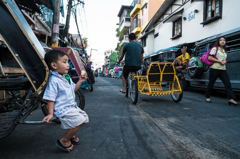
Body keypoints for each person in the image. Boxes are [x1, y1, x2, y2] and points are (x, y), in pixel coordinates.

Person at [43, 50, 89, 152]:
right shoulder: (54, 80)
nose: (68, 65)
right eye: (64, 62)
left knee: (84, 118)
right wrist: (50, 113)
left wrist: (80, 81)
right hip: (62, 108)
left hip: (71, 106)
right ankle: (64, 140)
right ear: (54, 65)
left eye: (68, 62)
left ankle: (71, 134)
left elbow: (73, 89)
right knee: (80, 119)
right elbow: (50, 98)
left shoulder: (66, 77)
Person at [205, 36, 238, 105]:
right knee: (211, 83)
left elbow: (223, 59)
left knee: (227, 83)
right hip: (214, 69)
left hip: (222, 69)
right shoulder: (215, 48)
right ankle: (207, 97)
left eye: (224, 40)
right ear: (218, 41)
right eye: (221, 40)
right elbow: (210, 58)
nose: (222, 41)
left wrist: (225, 61)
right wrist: (220, 61)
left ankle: (231, 99)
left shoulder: (224, 50)